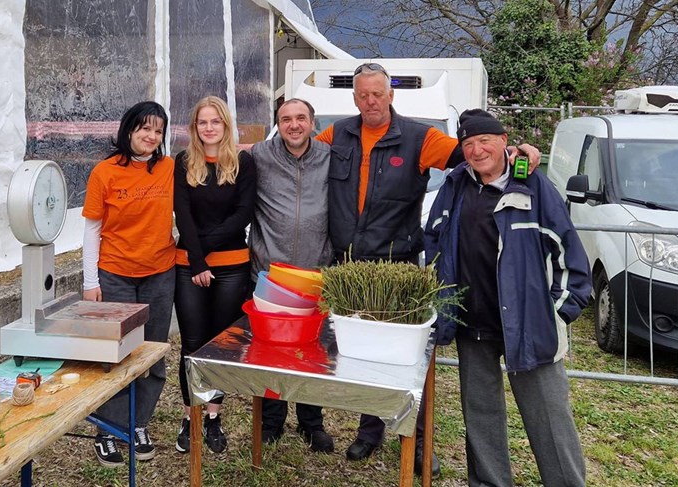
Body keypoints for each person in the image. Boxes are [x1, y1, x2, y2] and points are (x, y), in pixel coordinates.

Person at [315, 62, 541, 476]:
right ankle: (369, 432)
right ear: (354, 97)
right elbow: (300, 162)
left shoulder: (420, 137)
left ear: (391, 95)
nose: (370, 101)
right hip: (348, 269)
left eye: (377, 94)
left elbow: (475, 156)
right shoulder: (335, 135)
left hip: (398, 268)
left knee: (407, 362)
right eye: (363, 94)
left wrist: (516, 152)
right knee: (362, 358)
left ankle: (419, 443)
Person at [424, 109, 591, 486]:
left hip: (529, 325)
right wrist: (444, 300)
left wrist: (558, 313)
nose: (476, 150)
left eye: (484, 141)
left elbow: (567, 251)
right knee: (480, 419)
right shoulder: (455, 185)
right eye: (468, 144)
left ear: (504, 141)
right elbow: (434, 239)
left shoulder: (532, 185)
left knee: (549, 418)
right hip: (473, 325)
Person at [82, 101, 176, 467]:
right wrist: (92, 282)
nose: (151, 137)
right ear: (129, 130)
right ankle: (108, 428)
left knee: (151, 352)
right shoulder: (105, 173)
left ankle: (139, 423)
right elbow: (91, 230)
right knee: (116, 353)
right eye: (144, 129)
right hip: (116, 274)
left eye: (158, 131)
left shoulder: (169, 168)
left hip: (160, 272)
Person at [246, 98, 334, 453]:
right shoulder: (258, 156)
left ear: (313, 122)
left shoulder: (330, 158)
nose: (293, 125)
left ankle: (312, 423)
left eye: (300, 118)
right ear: (277, 124)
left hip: (316, 274)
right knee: (270, 351)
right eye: (286, 119)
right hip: (271, 275)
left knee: (312, 351)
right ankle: (271, 421)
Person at [173, 96, 256, 454]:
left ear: (226, 125)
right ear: (195, 128)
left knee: (220, 345)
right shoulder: (183, 162)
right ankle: (191, 416)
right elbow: (183, 214)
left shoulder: (243, 162)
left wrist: (202, 251)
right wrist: (197, 260)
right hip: (188, 267)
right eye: (202, 122)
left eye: (215, 122)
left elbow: (243, 214)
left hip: (232, 265)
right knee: (192, 345)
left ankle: (213, 417)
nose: (209, 128)